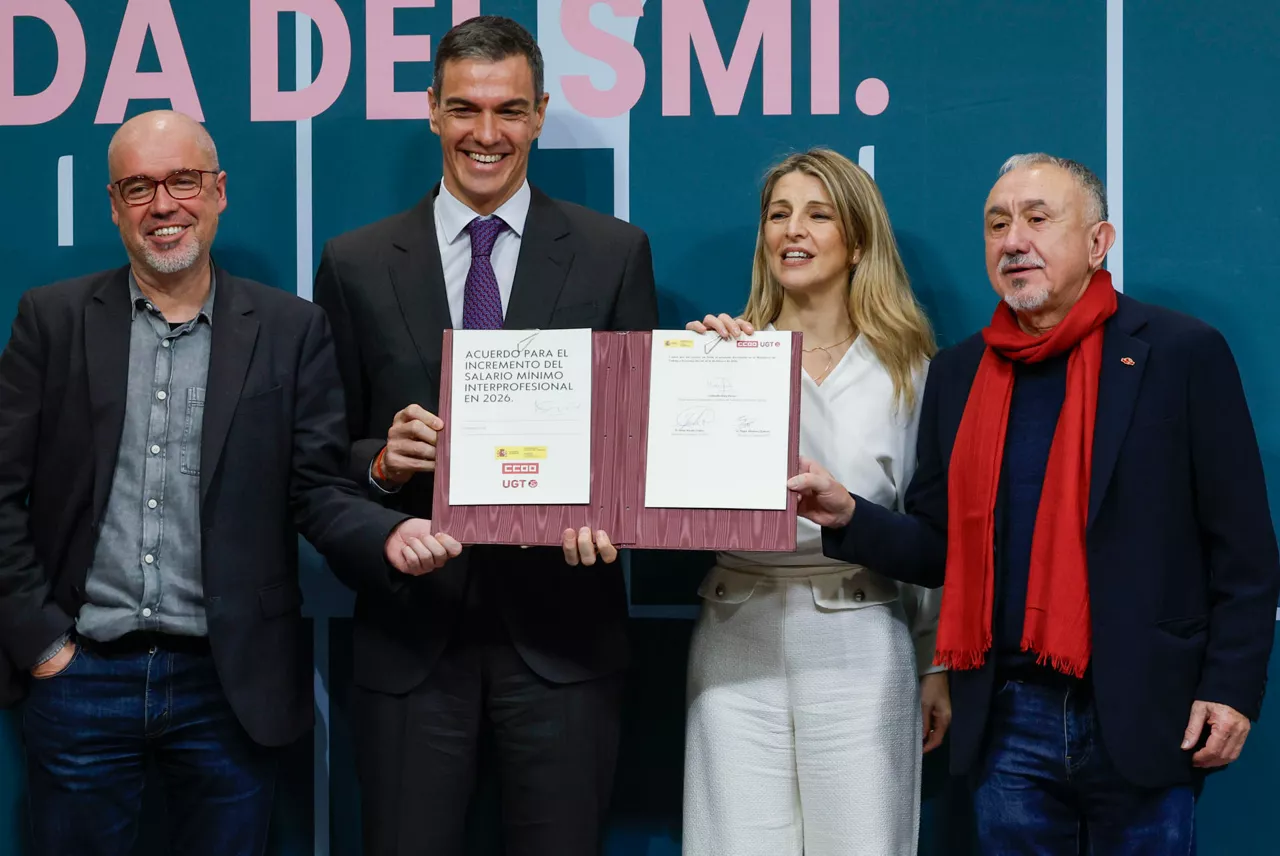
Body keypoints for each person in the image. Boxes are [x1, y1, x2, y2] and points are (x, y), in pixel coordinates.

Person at [789, 153, 1280, 852]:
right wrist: (848, 515)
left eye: (1037, 219)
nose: (1013, 239)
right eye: (997, 224)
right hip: (1005, 717)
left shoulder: (1179, 353)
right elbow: (939, 550)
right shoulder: (958, 373)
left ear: (1097, 242)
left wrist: (1231, 689)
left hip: (1145, 710)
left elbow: (1245, 550)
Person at [0, 111, 458, 856]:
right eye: (138, 187)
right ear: (114, 205)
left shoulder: (291, 330)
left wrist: (389, 531)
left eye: (182, 180)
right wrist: (42, 643)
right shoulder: (51, 321)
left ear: (218, 192)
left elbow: (315, 490)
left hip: (231, 687)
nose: (163, 205)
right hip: (81, 680)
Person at [312, 15, 658, 856]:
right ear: (432, 110)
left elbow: (638, 445)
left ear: (540, 113)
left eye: (509, 110)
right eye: (465, 109)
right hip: (410, 642)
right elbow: (322, 464)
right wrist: (388, 466)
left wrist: (608, 511)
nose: (487, 133)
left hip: (566, 639)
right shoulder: (355, 262)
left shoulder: (614, 255)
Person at [670, 148, 948, 856]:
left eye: (818, 214)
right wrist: (686, 382)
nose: (793, 229)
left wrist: (935, 663)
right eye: (779, 214)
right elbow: (666, 500)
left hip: (861, 635)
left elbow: (935, 536)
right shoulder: (718, 355)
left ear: (856, 241)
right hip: (737, 628)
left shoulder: (911, 371)